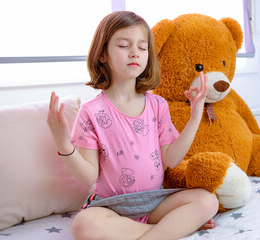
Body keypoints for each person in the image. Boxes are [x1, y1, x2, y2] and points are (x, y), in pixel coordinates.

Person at [47, 11, 218, 240]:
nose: (134, 52)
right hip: (110, 207)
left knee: (207, 201)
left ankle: (152, 233)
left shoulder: (158, 105)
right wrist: (62, 142)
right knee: (83, 226)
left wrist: (195, 115)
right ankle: (168, 231)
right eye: (124, 45)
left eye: (142, 47)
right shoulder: (91, 112)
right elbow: (89, 176)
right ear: (102, 55)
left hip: (154, 203)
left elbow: (171, 159)